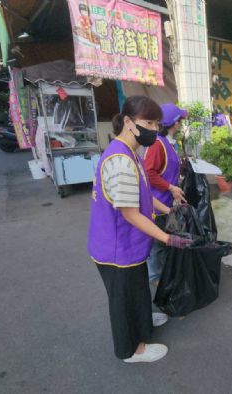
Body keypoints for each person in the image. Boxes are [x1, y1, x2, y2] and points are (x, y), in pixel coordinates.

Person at [87, 95, 193, 364]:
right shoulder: (121, 161)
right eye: (148, 122)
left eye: (157, 123)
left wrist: (168, 210)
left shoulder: (130, 153)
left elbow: (143, 193)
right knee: (123, 300)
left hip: (128, 245)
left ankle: (143, 319)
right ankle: (132, 350)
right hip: (116, 248)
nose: (154, 129)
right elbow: (130, 214)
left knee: (137, 290)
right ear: (128, 122)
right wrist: (168, 238)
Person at [143, 103, 188, 284]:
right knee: (157, 244)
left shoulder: (168, 142)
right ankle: (155, 278)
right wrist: (170, 187)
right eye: (180, 120)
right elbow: (148, 171)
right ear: (175, 123)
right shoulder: (157, 144)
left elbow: (166, 166)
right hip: (157, 202)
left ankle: (160, 274)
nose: (182, 123)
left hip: (166, 202)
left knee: (162, 242)